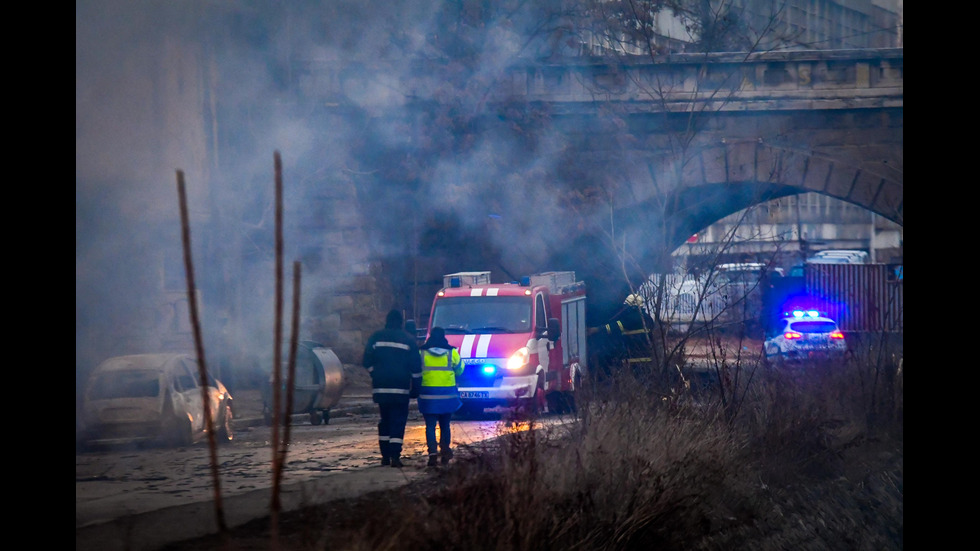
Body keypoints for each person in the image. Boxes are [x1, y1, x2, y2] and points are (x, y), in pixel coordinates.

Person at [362, 308, 422, 468]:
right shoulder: (408, 340)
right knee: (398, 421)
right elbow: (416, 368)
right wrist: (416, 388)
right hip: (400, 388)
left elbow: (366, 360)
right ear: (401, 323)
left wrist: (375, 374)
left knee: (385, 420)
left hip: (381, 388)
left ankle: (385, 456)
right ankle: (395, 456)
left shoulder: (376, 337)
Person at [418, 327, 464, 467]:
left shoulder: (421, 352)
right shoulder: (452, 352)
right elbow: (461, 370)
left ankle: (432, 453)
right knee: (445, 425)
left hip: (428, 395)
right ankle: (445, 451)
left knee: (430, 426)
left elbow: (415, 370)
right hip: (447, 396)